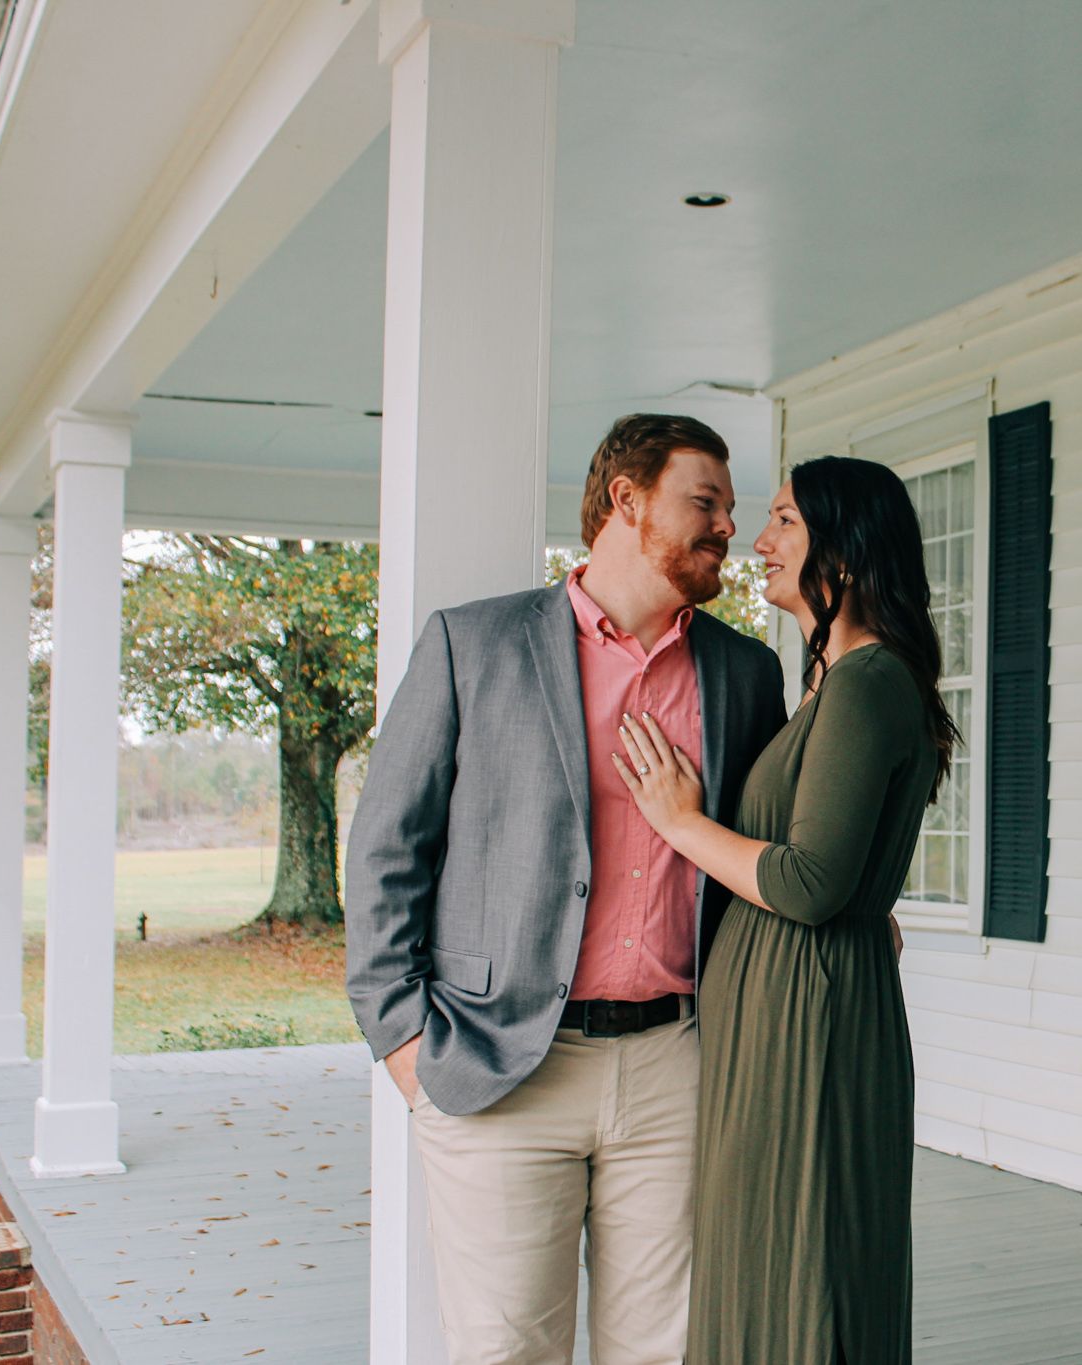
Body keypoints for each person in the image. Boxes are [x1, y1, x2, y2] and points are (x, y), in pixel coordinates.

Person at [344, 414, 786, 1365]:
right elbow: (387, 848)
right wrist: (405, 1042)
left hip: (678, 1064)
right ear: (626, 501)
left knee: (668, 1354)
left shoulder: (746, 673)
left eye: (730, 508)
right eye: (703, 501)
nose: (725, 528)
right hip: (499, 1064)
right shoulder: (474, 644)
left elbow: (764, 854)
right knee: (507, 1352)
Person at [614, 455, 956, 1364]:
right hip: (785, 1013)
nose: (757, 542)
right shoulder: (831, 681)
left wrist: (680, 823)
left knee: (808, 1273)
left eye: (784, 521)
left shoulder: (867, 681)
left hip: (809, 1025)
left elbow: (808, 881)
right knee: (767, 1267)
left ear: (842, 550)